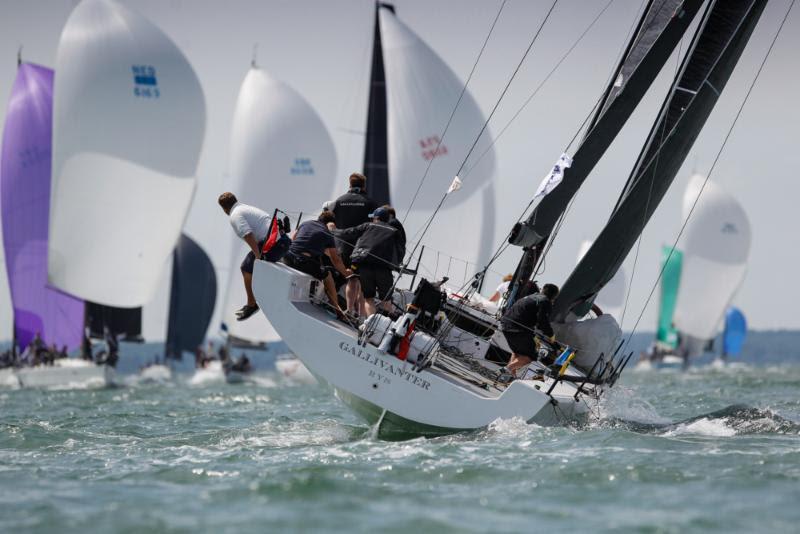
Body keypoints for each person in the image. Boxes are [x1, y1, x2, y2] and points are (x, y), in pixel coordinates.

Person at [282, 211, 351, 315]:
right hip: (302, 262)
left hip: (288, 257)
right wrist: (346, 273)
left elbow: (293, 239)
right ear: (330, 223)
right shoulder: (327, 233)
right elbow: (335, 260)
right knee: (327, 275)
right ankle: (338, 310)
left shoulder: (306, 223)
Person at [334, 207, 399, 317]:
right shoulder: (394, 231)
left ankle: (368, 324)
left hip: (365, 264)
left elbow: (349, 232)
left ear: (376, 218)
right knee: (386, 300)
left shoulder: (368, 225)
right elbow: (399, 250)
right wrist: (394, 265)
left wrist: (332, 231)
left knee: (368, 299)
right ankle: (386, 327)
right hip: (384, 268)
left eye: (373, 218)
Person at [218, 192, 272, 321]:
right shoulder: (244, 208)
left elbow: (247, 234)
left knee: (246, 268)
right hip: (276, 239)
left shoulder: (235, 215)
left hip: (270, 242)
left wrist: (257, 255)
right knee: (249, 266)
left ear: (224, 208)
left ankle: (252, 304)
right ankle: (252, 303)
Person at [497, 283, 559, 381]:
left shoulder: (532, 296)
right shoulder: (545, 301)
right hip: (518, 329)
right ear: (554, 296)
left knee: (518, 353)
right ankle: (507, 369)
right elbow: (542, 321)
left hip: (505, 325)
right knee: (530, 357)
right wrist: (551, 335)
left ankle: (508, 377)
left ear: (542, 290)